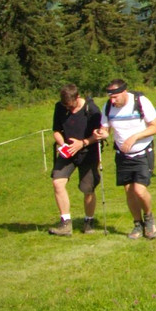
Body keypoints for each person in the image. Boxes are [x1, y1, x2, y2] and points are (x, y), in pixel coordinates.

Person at [99, 79, 156, 240]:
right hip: (122, 155)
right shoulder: (107, 107)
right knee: (129, 191)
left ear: (124, 92)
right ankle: (137, 224)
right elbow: (105, 129)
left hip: (142, 152)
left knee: (139, 190)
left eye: (116, 97)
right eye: (110, 97)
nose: (113, 101)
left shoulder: (140, 102)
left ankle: (148, 218)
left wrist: (135, 137)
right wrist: (102, 134)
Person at [48, 83, 104, 236]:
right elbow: (56, 131)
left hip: (88, 151)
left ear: (77, 97)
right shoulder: (60, 107)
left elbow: (99, 134)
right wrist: (63, 145)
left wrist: (83, 143)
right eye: (66, 107)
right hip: (68, 152)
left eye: (72, 106)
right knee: (57, 182)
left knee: (88, 189)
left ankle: (89, 221)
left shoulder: (92, 110)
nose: (70, 110)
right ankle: (65, 223)